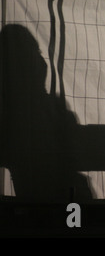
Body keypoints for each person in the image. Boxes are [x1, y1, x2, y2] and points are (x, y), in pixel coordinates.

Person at [0, 24, 92, 203]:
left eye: (39, 53)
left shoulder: (17, 111)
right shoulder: (46, 108)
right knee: (75, 224)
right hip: (64, 202)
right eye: (33, 54)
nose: (41, 62)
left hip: (43, 205)